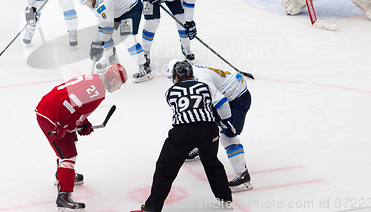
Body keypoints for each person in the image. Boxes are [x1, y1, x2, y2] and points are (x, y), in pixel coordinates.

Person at [136, 60, 232, 212]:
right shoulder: (204, 87)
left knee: (165, 168)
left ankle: (152, 207)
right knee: (211, 162)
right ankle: (226, 198)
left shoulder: (170, 92)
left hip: (183, 131)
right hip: (208, 129)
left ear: (176, 77)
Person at [35, 63, 128, 210]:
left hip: (51, 109)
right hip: (52, 116)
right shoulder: (96, 90)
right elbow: (68, 105)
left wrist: (84, 123)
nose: (118, 88)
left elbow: (77, 107)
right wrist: (62, 124)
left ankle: (64, 175)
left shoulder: (95, 80)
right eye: (119, 84)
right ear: (113, 80)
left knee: (69, 143)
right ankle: (64, 196)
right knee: (68, 155)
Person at [166, 59, 253, 192]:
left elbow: (221, 101)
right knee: (203, 120)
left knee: (227, 136)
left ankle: (243, 176)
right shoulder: (190, 73)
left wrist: (226, 121)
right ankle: (200, 147)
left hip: (236, 97)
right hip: (225, 94)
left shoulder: (201, 80)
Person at [76, 0, 152, 83]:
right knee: (104, 35)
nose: (89, 5)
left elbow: (106, 31)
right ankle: (110, 59)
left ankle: (144, 67)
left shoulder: (103, 3)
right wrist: (97, 44)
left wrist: (98, 45)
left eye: (89, 1)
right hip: (116, 8)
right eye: (86, 3)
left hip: (130, 8)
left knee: (127, 38)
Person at [141, 0, 199, 72]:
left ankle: (186, 48)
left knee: (183, 23)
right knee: (152, 23)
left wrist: (189, 22)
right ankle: (145, 53)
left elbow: (189, 4)